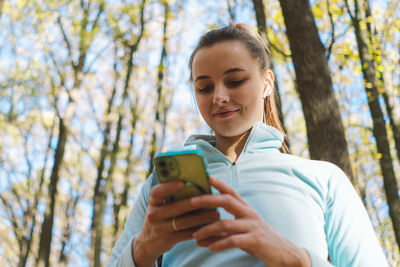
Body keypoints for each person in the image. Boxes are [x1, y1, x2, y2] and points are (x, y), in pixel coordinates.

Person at [107, 23, 388, 267]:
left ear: (267, 84)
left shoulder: (324, 178)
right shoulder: (161, 187)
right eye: (204, 88)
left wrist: (297, 259)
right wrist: (143, 248)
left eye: (235, 81)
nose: (218, 96)